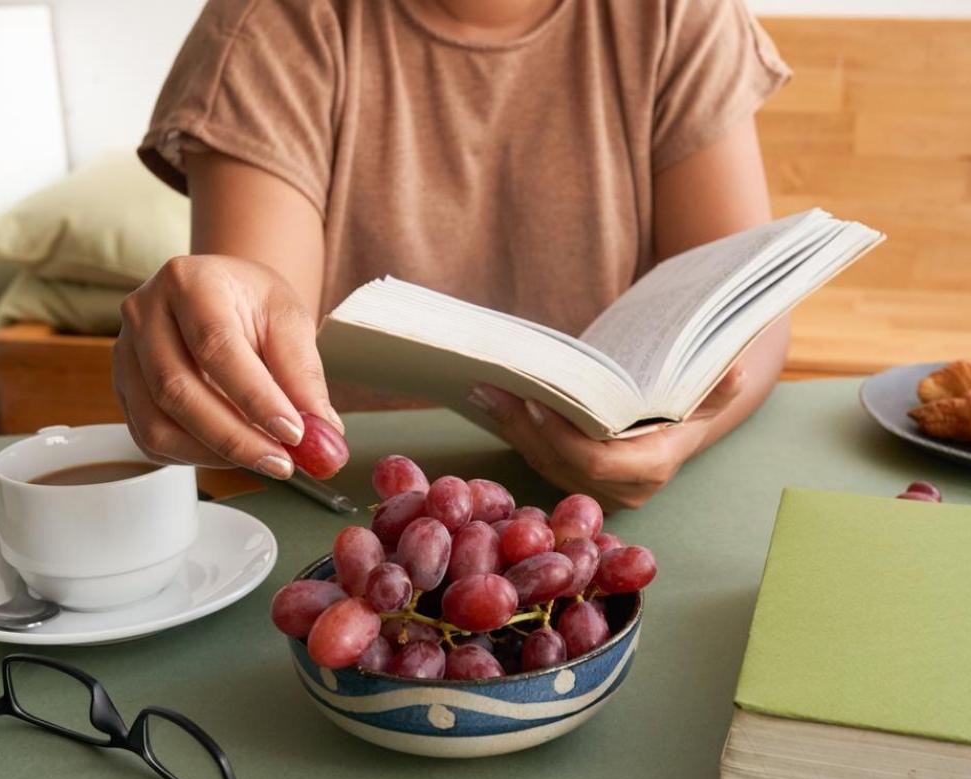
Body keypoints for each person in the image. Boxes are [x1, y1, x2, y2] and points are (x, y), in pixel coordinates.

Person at [120, 0, 791, 508]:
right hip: (352, 512)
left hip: (605, 519)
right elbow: (262, 302)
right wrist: (218, 321)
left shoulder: (673, 15)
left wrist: (678, 439)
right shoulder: (275, 23)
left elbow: (745, 308)